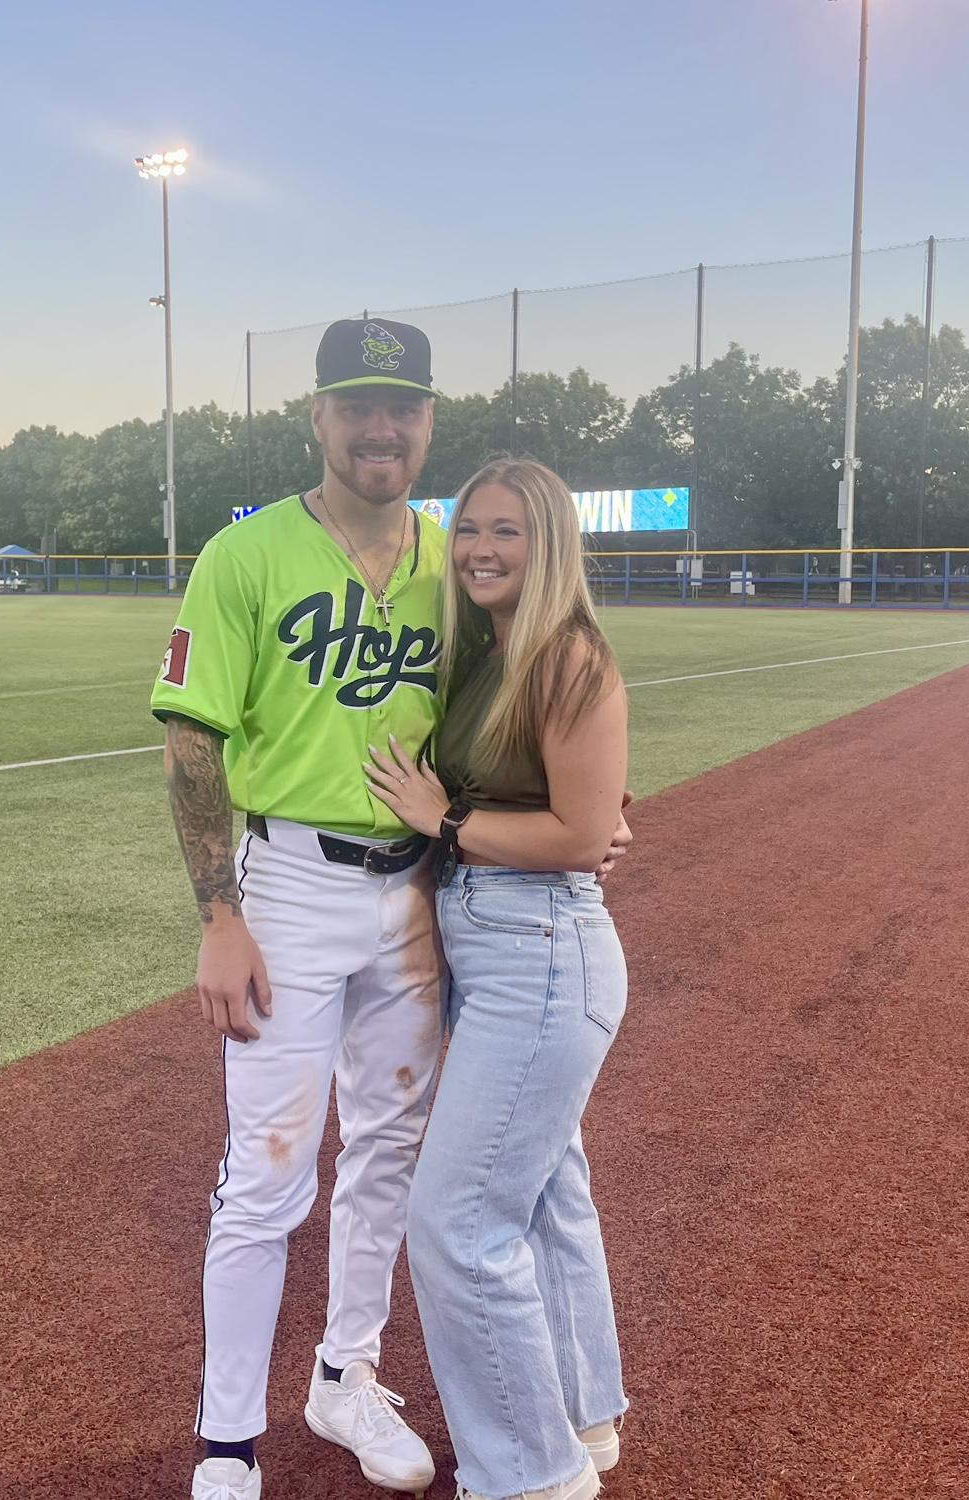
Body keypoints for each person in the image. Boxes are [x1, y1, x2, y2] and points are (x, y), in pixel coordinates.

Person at [151, 320, 630, 1500]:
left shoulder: (453, 560)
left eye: (402, 408)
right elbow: (191, 741)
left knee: (388, 1155)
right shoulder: (247, 555)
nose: (381, 428)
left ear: (426, 422)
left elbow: (527, 695)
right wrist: (218, 915)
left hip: (420, 894)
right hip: (290, 887)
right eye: (358, 405)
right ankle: (228, 1441)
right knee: (267, 1175)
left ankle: (344, 1375)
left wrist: (598, 809)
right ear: (317, 415)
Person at [365, 458, 631, 1500]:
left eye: (506, 531)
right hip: (498, 943)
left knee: (458, 1225)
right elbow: (583, 808)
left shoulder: (566, 656)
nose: (479, 548)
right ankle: (582, 1420)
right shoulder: (492, 650)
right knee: (550, 1192)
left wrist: (446, 821)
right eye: (469, 528)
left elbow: (577, 836)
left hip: (539, 951)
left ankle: (531, 1477)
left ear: (549, 542)